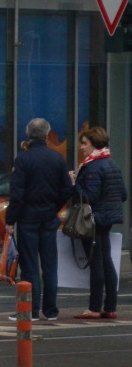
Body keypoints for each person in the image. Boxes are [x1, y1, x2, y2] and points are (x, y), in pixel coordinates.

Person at [5, 117, 71, 321]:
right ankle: (51, 311)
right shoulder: (57, 158)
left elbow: (17, 194)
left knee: (30, 266)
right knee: (50, 266)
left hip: (27, 219)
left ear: (28, 135)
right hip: (48, 218)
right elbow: (66, 190)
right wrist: (53, 208)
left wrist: (10, 220)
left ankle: (31, 311)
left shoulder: (23, 160)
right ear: (46, 134)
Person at [69, 126, 127, 320]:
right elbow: (123, 195)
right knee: (107, 263)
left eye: (84, 143)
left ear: (93, 143)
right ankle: (110, 307)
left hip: (93, 220)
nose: (82, 147)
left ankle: (94, 308)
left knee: (96, 265)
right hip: (108, 218)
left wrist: (74, 184)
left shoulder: (93, 167)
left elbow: (89, 197)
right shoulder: (112, 164)